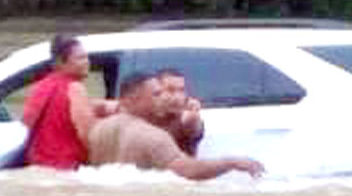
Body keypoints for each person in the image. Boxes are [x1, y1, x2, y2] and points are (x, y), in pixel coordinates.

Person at [87, 72, 264, 181]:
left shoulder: (98, 129)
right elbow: (189, 171)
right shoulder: (153, 137)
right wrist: (231, 162)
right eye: (157, 94)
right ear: (134, 99)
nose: (164, 98)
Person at [21, 34, 115, 169]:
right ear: (61, 62)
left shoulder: (40, 87)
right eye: (80, 58)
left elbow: (26, 126)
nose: (87, 62)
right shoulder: (75, 88)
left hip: (38, 168)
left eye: (86, 57)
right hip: (67, 170)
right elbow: (88, 134)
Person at [154, 68, 205, 156]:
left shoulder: (184, 119)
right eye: (170, 90)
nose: (177, 96)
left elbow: (192, 126)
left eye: (181, 90)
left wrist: (193, 113)